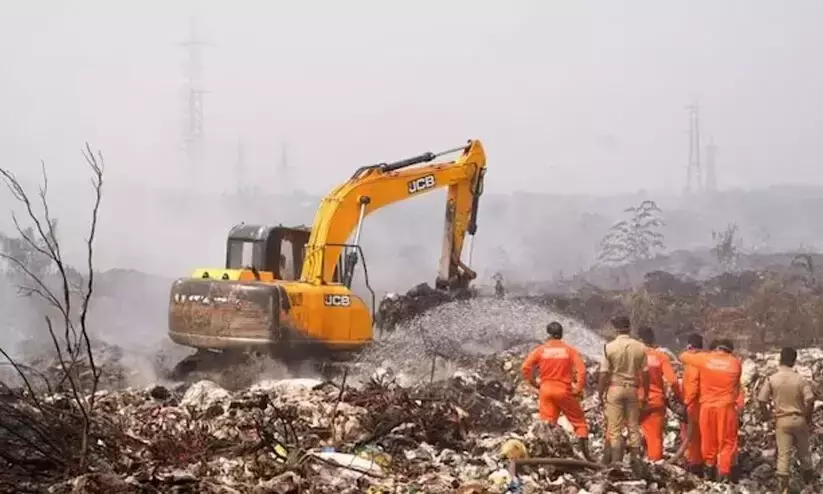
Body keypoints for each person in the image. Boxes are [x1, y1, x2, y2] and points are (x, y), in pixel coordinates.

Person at [521, 321, 592, 461]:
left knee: (547, 423)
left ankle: (548, 456)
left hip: (545, 390)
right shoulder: (570, 350)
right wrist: (577, 388)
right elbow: (582, 372)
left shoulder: (541, 350)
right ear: (561, 335)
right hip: (564, 390)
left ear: (548, 335)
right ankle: (587, 456)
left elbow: (525, 367)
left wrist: (534, 383)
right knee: (579, 423)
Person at [679, 338, 742, 483]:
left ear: (715, 349)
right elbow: (737, 388)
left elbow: (683, 356)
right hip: (727, 408)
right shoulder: (735, 363)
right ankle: (724, 474)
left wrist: (697, 351)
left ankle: (709, 471)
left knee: (708, 440)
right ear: (730, 350)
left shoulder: (705, 359)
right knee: (727, 443)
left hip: (707, 408)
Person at [756, 347, 815, 492]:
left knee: (783, 455)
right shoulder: (800, 380)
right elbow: (810, 399)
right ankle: (809, 485)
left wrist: (767, 415)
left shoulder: (772, 379)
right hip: (799, 419)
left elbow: (761, 399)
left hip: (782, 420)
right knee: (805, 454)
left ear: (780, 359)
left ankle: (783, 488)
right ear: (794, 361)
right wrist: (807, 417)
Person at [597, 315, 649, 468]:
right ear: (629, 328)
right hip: (632, 389)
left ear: (616, 329)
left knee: (615, 428)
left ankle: (616, 461)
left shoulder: (609, 347)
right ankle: (636, 460)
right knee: (633, 426)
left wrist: (600, 393)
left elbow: (604, 373)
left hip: (615, 388)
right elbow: (645, 373)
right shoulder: (640, 347)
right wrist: (645, 393)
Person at [637, 326, 679, 461]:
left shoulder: (632, 355)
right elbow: (672, 381)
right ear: (653, 340)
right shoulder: (660, 356)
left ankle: (627, 466)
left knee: (626, 434)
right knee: (654, 438)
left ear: (638, 340)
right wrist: (679, 398)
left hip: (634, 401)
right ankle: (655, 467)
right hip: (655, 402)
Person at [679, 333, 705, 475]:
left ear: (689, 346)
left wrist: (685, 404)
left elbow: (693, 386)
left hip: (694, 404)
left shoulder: (693, 361)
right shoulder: (706, 360)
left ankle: (695, 466)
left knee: (692, 437)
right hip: (704, 403)